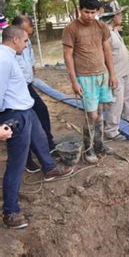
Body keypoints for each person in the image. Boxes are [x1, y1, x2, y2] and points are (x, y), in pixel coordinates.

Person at [1, 25, 73, 229]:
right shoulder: (3, 59)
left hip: (26, 110)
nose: (26, 45)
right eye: (24, 41)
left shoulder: (8, 56)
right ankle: (10, 212)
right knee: (17, 163)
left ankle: (49, 168)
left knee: (40, 138)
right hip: (15, 114)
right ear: (15, 39)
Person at [63, 0, 118, 164]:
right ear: (80, 10)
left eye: (93, 12)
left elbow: (107, 51)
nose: (89, 16)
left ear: (97, 11)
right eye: (86, 12)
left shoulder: (101, 26)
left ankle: (100, 144)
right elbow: (67, 56)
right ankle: (89, 149)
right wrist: (74, 81)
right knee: (91, 115)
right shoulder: (71, 29)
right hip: (84, 77)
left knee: (100, 113)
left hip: (102, 75)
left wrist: (112, 74)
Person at [12, 15, 56, 173]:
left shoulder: (26, 42)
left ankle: (49, 146)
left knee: (41, 111)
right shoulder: (8, 49)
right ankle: (27, 159)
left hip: (27, 85)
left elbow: (29, 61)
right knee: (23, 122)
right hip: (16, 89)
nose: (27, 38)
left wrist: (31, 75)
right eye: (27, 32)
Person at [100, 0, 129, 140]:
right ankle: (111, 130)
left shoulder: (113, 30)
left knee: (127, 96)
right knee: (115, 102)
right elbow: (105, 55)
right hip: (115, 73)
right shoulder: (106, 33)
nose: (121, 16)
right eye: (119, 14)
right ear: (113, 16)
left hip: (124, 71)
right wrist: (111, 75)